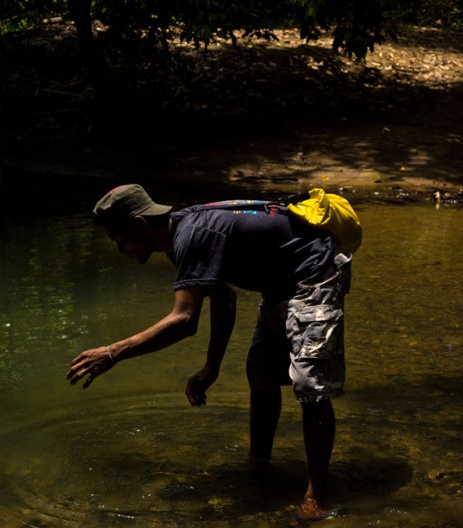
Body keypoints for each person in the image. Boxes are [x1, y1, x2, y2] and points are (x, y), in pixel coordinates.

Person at [66, 183, 353, 523]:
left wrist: (113, 352)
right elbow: (224, 297)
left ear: (141, 226)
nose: (120, 250)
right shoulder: (178, 240)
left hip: (314, 274)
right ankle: (259, 466)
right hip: (279, 284)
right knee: (260, 371)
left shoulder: (193, 235)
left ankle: (317, 497)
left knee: (311, 387)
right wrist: (211, 367)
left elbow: (184, 320)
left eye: (120, 239)